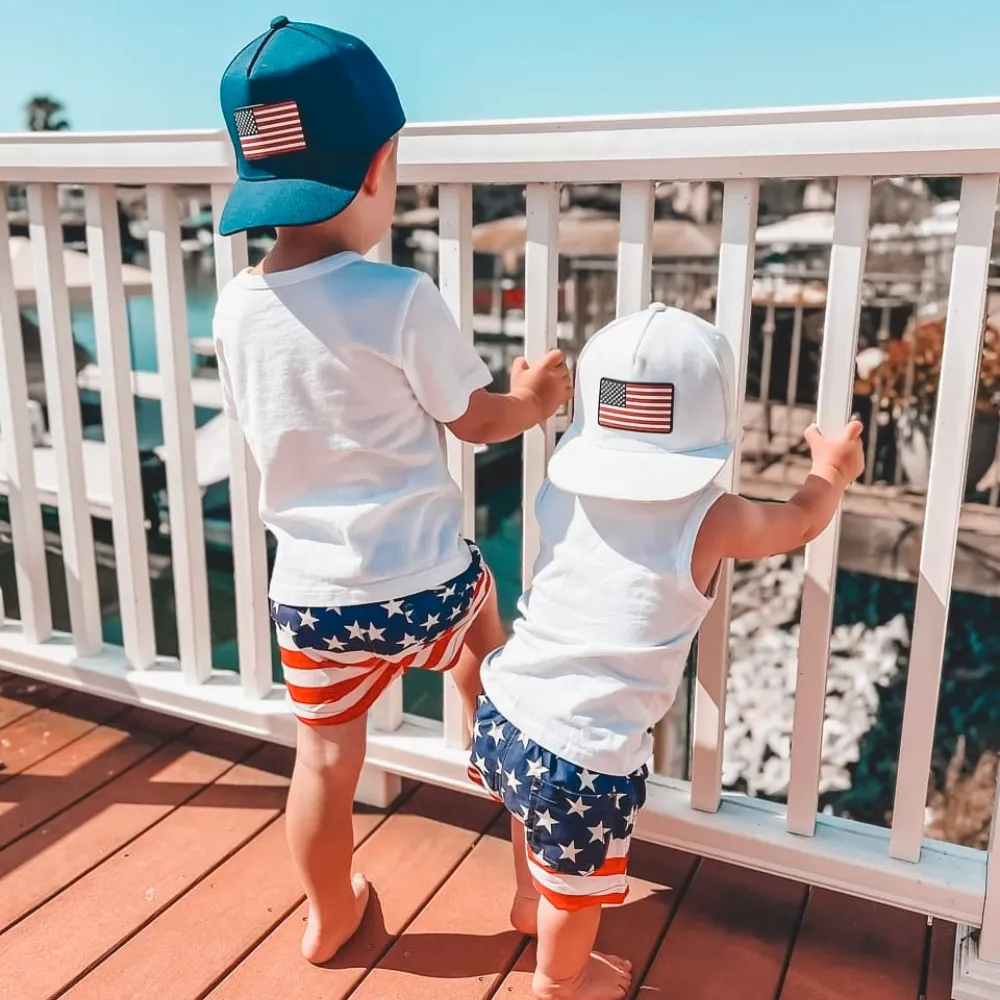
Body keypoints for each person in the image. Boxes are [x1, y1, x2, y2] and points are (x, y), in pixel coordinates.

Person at [213, 17, 572, 965]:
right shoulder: (401, 297)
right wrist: (534, 397)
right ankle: (531, 878)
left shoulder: (237, 309)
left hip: (314, 606)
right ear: (378, 169)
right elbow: (475, 420)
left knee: (326, 761)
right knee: (497, 692)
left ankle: (330, 914)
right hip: (427, 586)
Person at [470, 303, 864, 1000]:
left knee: (528, 817)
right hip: (583, 753)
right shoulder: (714, 517)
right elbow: (800, 522)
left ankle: (527, 902)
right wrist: (830, 471)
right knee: (579, 887)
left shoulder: (561, 483)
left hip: (507, 704)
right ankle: (561, 982)